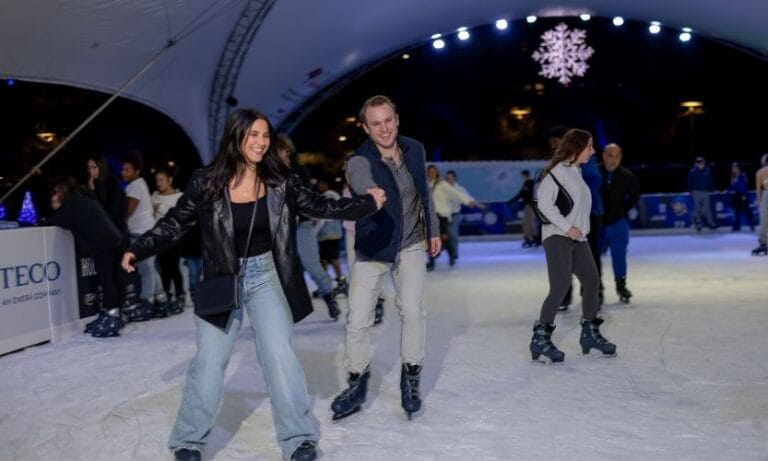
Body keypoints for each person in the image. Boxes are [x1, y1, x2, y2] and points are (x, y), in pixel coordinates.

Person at [121, 108, 384, 461]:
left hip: (267, 275)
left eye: (265, 135)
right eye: (253, 135)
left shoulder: (280, 179)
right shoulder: (206, 181)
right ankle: (188, 441)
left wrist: (366, 204)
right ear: (236, 136)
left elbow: (320, 206)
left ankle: (298, 438)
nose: (261, 142)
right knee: (209, 361)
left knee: (279, 355)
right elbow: (175, 223)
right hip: (221, 276)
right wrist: (139, 248)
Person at [331, 95, 440, 421]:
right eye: (375, 123)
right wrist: (370, 191)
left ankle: (411, 380)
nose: (384, 128)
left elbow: (423, 192)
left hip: (410, 242)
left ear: (397, 119)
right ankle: (356, 384)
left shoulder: (414, 149)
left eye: (388, 120)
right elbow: (359, 177)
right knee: (358, 318)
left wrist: (433, 229)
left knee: (413, 311)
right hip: (373, 245)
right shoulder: (359, 159)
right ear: (366, 128)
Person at [530, 128, 616, 364]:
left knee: (592, 282)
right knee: (559, 287)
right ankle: (540, 339)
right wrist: (568, 228)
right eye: (589, 146)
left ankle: (589, 334)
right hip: (558, 237)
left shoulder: (575, 171)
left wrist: (578, 232)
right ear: (577, 147)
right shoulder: (556, 172)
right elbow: (544, 205)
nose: (593, 151)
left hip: (578, 238)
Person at [46, 176, 125, 337]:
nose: (56, 194)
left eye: (57, 191)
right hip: (113, 239)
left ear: (63, 190)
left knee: (106, 280)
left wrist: (44, 220)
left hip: (103, 243)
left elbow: (58, 220)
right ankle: (113, 314)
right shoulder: (82, 199)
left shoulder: (71, 204)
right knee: (111, 280)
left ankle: (112, 317)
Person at [275, 134, 342, 320]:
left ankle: (329, 297)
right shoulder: (269, 172)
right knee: (282, 270)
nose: (279, 154)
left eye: (282, 150)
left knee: (312, 265)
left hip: (301, 225)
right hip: (279, 229)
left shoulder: (299, 170)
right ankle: (285, 308)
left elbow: (305, 198)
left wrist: (297, 213)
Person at [122, 150, 170, 320]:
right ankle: (162, 302)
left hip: (141, 233)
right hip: (146, 231)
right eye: (123, 169)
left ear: (137, 170)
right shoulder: (139, 183)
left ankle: (147, 304)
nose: (124, 173)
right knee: (150, 268)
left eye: (127, 170)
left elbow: (129, 210)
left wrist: (118, 221)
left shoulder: (135, 186)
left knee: (146, 269)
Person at [599, 143, 640, 303]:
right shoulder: (594, 173)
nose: (613, 160)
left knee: (619, 256)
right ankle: (595, 287)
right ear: (604, 156)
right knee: (592, 258)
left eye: (616, 156)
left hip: (618, 223)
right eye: (610, 156)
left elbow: (635, 195)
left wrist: (623, 210)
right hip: (596, 223)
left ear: (620, 158)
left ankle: (621, 285)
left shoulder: (627, 176)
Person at [342, 180, 385, 325]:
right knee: (353, 269)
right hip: (351, 232)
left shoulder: (375, 187)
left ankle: (376, 304)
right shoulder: (347, 190)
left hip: (369, 232)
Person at [426, 164, 480, 270]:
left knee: (445, 238)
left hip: (442, 216)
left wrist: (468, 201)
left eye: (433, 171)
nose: (431, 173)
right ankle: (431, 262)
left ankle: (451, 255)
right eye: (430, 171)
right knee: (431, 239)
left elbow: (456, 193)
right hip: (431, 217)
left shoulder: (443, 184)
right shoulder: (426, 185)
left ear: (436, 173)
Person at [152, 167, 185, 314]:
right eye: (157, 180)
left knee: (174, 266)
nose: (159, 183)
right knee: (163, 267)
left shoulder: (179, 196)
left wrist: (162, 208)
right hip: (159, 238)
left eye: (162, 180)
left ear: (170, 180)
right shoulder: (154, 196)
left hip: (174, 237)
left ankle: (180, 294)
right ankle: (166, 296)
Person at [314, 175, 348, 294]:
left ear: (325, 184)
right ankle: (330, 284)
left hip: (327, 233)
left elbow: (323, 217)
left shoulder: (327, 196)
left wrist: (315, 231)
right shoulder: (335, 195)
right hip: (334, 232)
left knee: (330, 258)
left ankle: (335, 283)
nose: (318, 185)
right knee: (326, 259)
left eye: (320, 183)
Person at [444, 170, 475, 258]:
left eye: (450, 178)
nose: (448, 180)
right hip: (443, 215)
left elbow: (468, 198)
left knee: (453, 234)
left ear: (455, 178)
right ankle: (448, 253)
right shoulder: (443, 188)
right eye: (447, 178)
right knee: (446, 235)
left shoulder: (459, 189)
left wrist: (472, 203)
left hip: (455, 214)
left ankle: (454, 253)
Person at [508, 169, 538, 247]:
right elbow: (521, 194)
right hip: (529, 205)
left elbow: (531, 194)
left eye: (522, 176)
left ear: (524, 175)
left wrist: (510, 201)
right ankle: (532, 237)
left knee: (527, 222)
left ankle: (530, 238)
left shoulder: (529, 183)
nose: (522, 177)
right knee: (528, 222)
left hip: (530, 205)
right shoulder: (528, 183)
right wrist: (511, 201)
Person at [687, 156, 717, 230]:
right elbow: (689, 181)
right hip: (696, 192)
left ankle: (710, 223)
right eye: (698, 162)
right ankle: (698, 224)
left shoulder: (707, 170)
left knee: (707, 208)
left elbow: (711, 180)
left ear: (704, 162)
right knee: (697, 208)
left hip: (705, 191)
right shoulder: (693, 171)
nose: (699, 163)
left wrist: (713, 189)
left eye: (700, 162)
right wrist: (690, 190)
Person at [729, 162, 754, 232]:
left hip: (743, 194)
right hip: (736, 195)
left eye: (734, 167)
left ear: (737, 168)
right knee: (736, 211)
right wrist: (729, 190)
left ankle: (752, 224)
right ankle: (737, 226)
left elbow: (744, 185)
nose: (732, 169)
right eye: (732, 167)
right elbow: (732, 186)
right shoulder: (733, 177)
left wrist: (744, 195)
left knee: (746, 210)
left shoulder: (743, 175)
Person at [753, 153, 768, 255]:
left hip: (766, 195)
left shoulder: (760, 172)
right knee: (764, 219)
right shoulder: (760, 172)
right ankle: (763, 243)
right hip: (766, 195)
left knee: (764, 220)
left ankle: (763, 243)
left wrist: (758, 200)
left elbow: (758, 189)